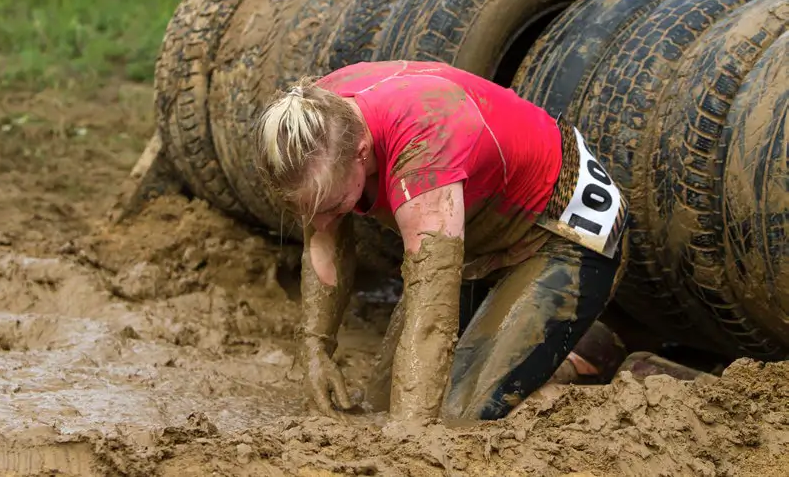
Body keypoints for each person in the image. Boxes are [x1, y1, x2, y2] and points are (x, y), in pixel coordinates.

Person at [253, 60, 630, 423]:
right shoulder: (313, 121)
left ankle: (589, 361)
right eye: (305, 208)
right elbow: (324, 237)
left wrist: (408, 443)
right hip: (480, 237)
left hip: (564, 234)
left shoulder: (423, 151)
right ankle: (539, 349)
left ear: (362, 152)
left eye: (333, 205)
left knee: (454, 415)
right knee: (380, 404)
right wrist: (317, 349)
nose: (317, 222)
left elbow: (431, 315)